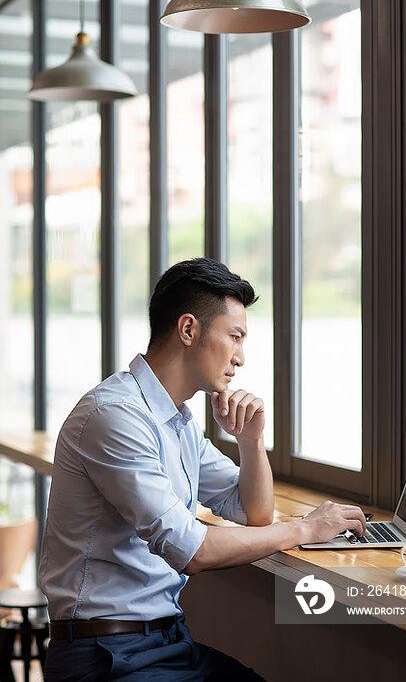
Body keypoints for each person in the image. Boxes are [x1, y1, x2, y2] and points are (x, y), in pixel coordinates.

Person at [40, 258, 366, 681]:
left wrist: (250, 441)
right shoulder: (114, 415)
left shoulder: (176, 420)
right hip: (104, 656)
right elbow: (189, 550)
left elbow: (254, 514)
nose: (241, 357)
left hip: (165, 641)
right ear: (189, 329)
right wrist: (306, 528)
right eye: (235, 336)